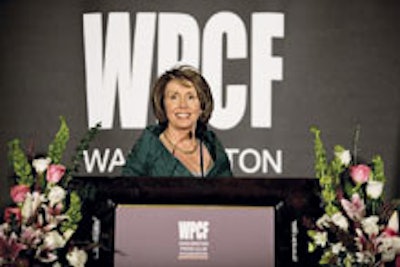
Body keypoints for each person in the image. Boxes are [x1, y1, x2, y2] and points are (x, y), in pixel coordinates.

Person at [122, 65, 232, 177]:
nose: (183, 105)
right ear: (163, 104)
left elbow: (230, 191)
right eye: (174, 97)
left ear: (201, 105)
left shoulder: (213, 146)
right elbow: (125, 189)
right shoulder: (150, 144)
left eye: (190, 97)